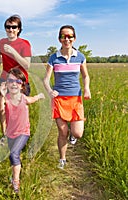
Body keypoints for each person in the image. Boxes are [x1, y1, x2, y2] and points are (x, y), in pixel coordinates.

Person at [43, 25, 91, 169]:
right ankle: (62, 159)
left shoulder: (80, 57)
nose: (67, 39)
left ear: (74, 38)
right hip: (59, 99)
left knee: (78, 133)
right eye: (64, 36)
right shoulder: (54, 58)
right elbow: (46, 79)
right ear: (59, 39)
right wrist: (50, 91)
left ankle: (73, 136)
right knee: (62, 132)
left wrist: (87, 88)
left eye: (70, 36)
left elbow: (85, 75)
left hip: (76, 99)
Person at [0, 68, 45, 193]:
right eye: (11, 81)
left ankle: (16, 183)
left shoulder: (24, 98)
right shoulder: (5, 99)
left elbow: (32, 99)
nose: (14, 84)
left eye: (18, 81)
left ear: (22, 85)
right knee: (13, 156)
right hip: (10, 134)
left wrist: (39, 96)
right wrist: (2, 95)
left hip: (24, 132)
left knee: (14, 154)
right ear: (6, 84)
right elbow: (0, 109)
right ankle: (15, 172)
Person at [0, 14, 32, 135]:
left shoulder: (25, 44)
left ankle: (21, 134)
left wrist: (13, 52)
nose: (10, 29)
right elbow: (0, 55)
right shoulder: (1, 42)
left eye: (14, 27)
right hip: (5, 79)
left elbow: (26, 65)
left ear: (19, 29)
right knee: (3, 109)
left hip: (20, 81)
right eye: (8, 27)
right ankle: (4, 135)